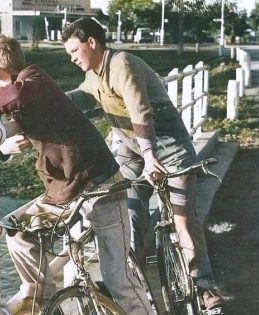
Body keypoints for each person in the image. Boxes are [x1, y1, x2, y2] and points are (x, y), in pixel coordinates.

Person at [0, 35, 152, 315]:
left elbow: (16, 95)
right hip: (66, 191)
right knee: (18, 232)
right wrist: (2, 150)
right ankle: (43, 299)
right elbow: (22, 126)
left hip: (101, 186)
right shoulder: (27, 96)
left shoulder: (34, 79)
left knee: (118, 278)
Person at [60, 17, 225, 310]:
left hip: (168, 148)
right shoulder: (94, 76)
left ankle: (203, 287)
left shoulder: (122, 63)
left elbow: (141, 110)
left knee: (183, 218)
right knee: (130, 216)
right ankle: (137, 289)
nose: (72, 59)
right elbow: (77, 100)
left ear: (92, 43)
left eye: (74, 51)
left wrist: (150, 156)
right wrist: (37, 110)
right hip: (131, 149)